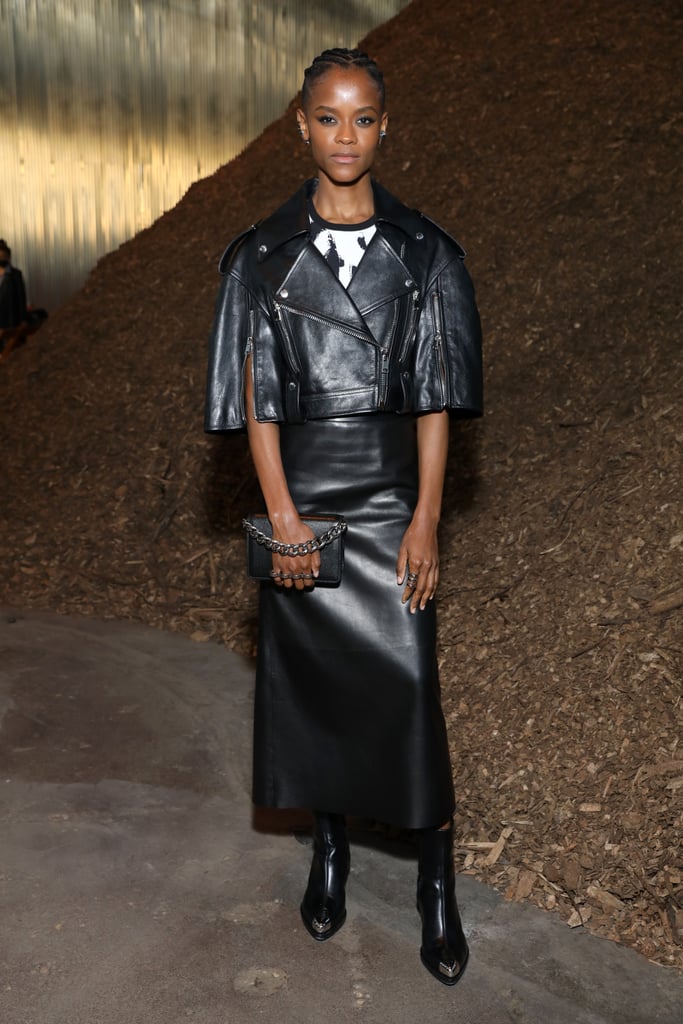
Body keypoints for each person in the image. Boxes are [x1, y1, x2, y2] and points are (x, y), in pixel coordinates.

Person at [205, 48, 482, 986]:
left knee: (408, 691)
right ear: (300, 124)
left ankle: (434, 883)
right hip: (306, 497)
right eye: (328, 117)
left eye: (363, 118)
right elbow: (257, 404)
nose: (345, 136)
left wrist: (425, 521)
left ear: (384, 126)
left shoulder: (428, 252)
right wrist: (282, 515)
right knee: (314, 690)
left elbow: (436, 400)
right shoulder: (258, 257)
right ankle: (330, 850)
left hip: (392, 491)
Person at [0, 239, 28, 351]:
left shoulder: (15, 275)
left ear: (8, 258)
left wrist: (23, 320)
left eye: (3, 257)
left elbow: (21, 298)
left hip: (10, 320)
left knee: (10, 350)